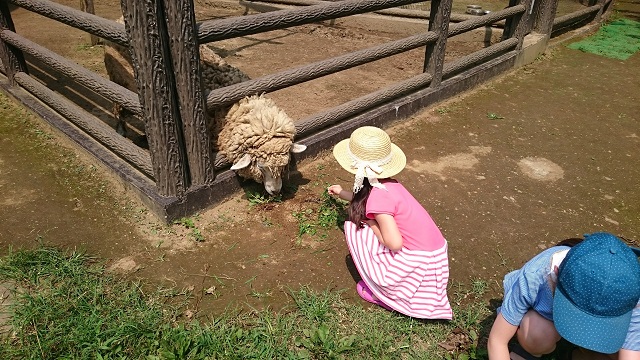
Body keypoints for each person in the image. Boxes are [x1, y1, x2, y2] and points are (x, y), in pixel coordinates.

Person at [327, 126, 452, 319]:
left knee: (355, 228)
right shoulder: (390, 185)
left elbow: (395, 244)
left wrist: (371, 225)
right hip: (436, 254)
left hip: (421, 264)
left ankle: (386, 294)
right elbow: (365, 199)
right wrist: (342, 193)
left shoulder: (377, 199)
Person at [487, 232, 640, 360]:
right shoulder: (536, 276)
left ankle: (580, 353)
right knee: (537, 335)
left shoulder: (628, 292)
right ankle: (528, 351)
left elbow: (631, 353)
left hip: (598, 330)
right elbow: (497, 340)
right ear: (556, 272)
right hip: (545, 318)